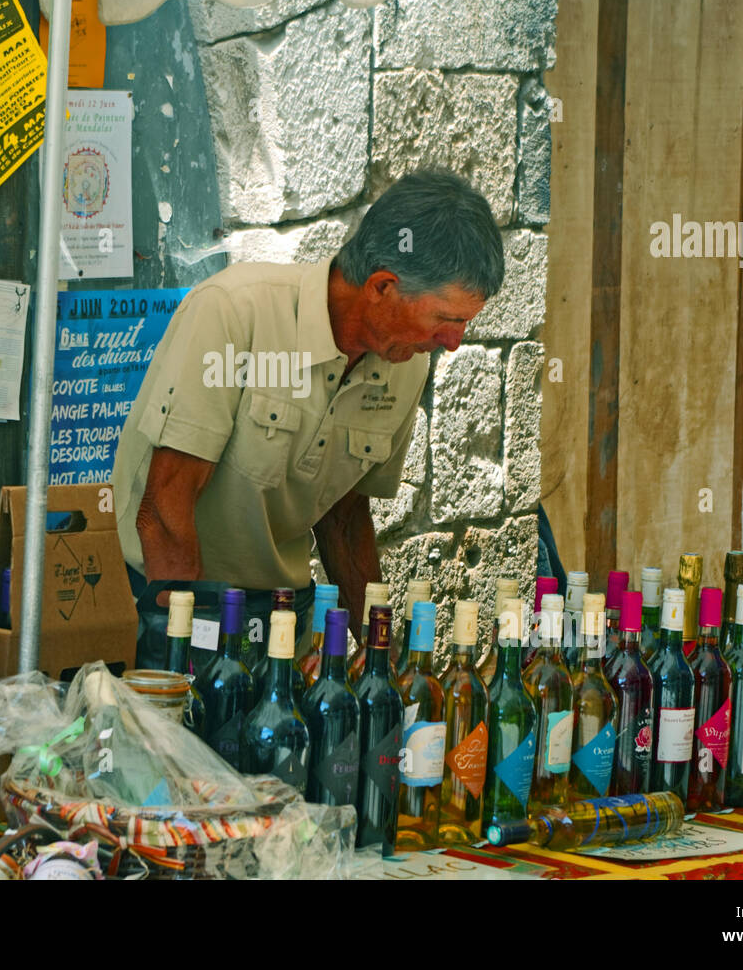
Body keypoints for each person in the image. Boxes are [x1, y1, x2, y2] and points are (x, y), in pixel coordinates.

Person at [113, 169, 505, 670]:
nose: (454, 342)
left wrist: (383, 657)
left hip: (281, 617)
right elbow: (165, 509)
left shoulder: (406, 365)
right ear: (383, 286)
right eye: (447, 320)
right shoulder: (235, 313)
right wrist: (188, 660)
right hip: (174, 604)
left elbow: (343, 514)